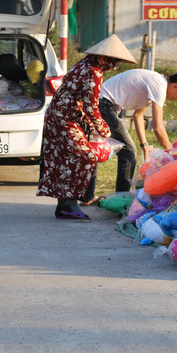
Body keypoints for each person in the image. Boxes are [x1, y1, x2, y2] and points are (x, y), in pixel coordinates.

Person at [36, 35, 137, 220]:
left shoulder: (82, 64)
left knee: (64, 159)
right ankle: (70, 204)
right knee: (86, 157)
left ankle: (64, 205)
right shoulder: (94, 72)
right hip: (64, 119)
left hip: (59, 116)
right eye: (116, 62)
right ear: (106, 58)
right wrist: (104, 130)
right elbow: (91, 106)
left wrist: (91, 127)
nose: (116, 66)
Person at [80, 69, 177, 204]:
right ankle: (120, 200)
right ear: (175, 86)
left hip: (100, 102)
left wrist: (145, 146)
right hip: (103, 104)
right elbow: (158, 127)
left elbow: (138, 115)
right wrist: (172, 151)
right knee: (128, 152)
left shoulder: (155, 83)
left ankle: (88, 197)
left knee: (96, 148)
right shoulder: (159, 84)